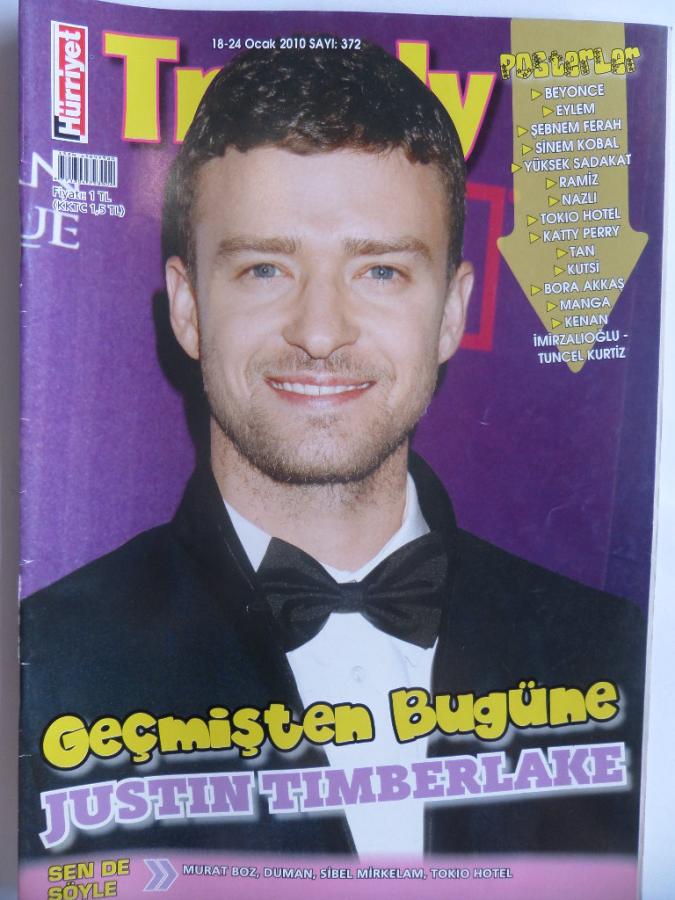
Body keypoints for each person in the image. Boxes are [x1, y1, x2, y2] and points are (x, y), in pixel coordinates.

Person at [20, 41, 645, 861]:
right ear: (188, 307)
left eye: (379, 272)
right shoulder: (38, 667)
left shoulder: (623, 655)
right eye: (264, 269)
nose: (319, 333)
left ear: (451, 313)